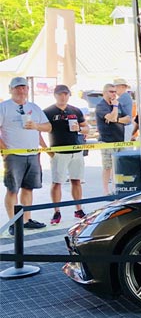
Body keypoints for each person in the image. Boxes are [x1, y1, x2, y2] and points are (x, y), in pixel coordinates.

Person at [0, 76, 51, 234]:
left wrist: (36, 126)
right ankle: (14, 222)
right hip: (14, 154)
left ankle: (27, 219)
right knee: (12, 189)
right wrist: (4, 151)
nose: (21, 90)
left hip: (33, 154)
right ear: (11, 89)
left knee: (29, 188)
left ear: (28, 90)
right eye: (17, 88)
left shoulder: (34, 107)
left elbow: (48, 127)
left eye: (24, 87)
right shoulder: (4, 107)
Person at [42, 85, 89, 225]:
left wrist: (80, 128)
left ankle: (79, 209)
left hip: (76, 150)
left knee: (77, 180)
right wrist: (46, 149)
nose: (63, 97)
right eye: (60, 94)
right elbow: (39, 130)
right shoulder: (48, 111)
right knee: (57, 182)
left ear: (69, 95)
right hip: (59, 151)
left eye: (65, 94)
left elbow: (87, 128)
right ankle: (56, 211)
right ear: (55, 95)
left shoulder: (75, 110)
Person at [95, 83, 131, 194]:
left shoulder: (118, 104)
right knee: (108, 166)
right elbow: (112, 117)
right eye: (111, 91)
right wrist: (114, 108)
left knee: (120, 166)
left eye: (115, 92)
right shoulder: (101, 106)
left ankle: (118, 187)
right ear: (104, 93)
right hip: (107, 140)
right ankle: (106, 190)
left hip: (119, 139)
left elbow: (128, 119)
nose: (114, 94)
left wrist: (116, 119)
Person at [113, 78, 134, 143]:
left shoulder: (124, 97)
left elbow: (113, 106)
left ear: (122, 87)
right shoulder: (125, 97)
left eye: (116, 87)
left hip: (126, 126)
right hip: (125, 126)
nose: (114, 89)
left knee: (125, 148)